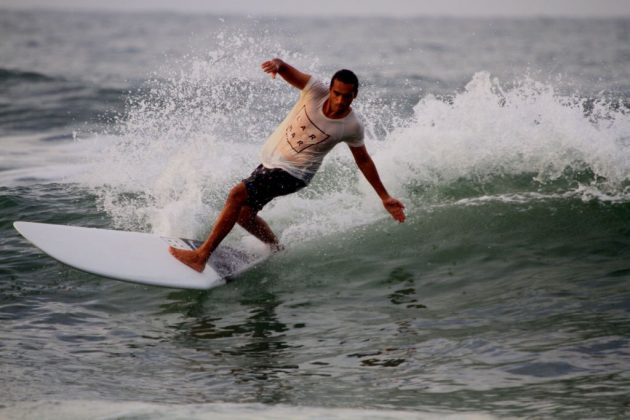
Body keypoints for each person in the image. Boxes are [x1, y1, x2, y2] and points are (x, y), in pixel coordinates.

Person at [169, 58, 406, 272]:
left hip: (295, 173)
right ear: (330, 89)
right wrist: (277, 66)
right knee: (243, 214)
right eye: (337, 93)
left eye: (347, 96)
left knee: (236, 194)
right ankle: (275, 248)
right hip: (271, 163)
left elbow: (363, 159)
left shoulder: (351, 126)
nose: (340, 100)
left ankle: (201, 256)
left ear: (355, 95)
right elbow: (287, 69)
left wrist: (384, 196)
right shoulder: (315, 91)